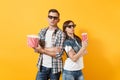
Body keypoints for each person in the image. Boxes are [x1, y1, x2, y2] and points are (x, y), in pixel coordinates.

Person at [34, 9, 65, 80]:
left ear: (58, 20)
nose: (52, 19)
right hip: (42, 66)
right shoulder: (42, 31)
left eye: (55, 18)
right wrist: (53, 49)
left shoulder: (61, 34)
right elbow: (36, 48)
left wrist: (42, 50)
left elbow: (59, 54)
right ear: (47, 18)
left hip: (55, 68)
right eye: (50, 17)